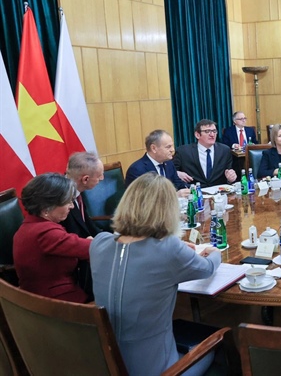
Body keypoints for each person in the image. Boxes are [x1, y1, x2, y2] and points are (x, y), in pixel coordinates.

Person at [90, 173, 221, 376]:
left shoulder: (99, 243)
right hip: (158, 369)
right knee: (218, 346)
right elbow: (207, 268)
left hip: (103, 362)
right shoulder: (168, 248)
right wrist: (215, 253)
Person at [13, 173, 93, 303]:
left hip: (37, 299)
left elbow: (73, 244)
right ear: (46, 208)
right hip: (56, 305)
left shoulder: (29, 226)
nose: (72, 206)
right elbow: (92, 248)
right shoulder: (45, 233)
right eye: (67, 202)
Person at [61, 151, 105, 300]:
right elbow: (65, 237)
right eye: (99, 177)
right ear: (85, 179)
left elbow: (87, 224)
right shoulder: (59, 199)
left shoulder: (76, 191)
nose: (102, 179)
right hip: (75, 263)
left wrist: (109, 238)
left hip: (87, 248)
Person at [173, 119, 237, 188]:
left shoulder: (225, 150)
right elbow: (170, 172)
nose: (212, 135)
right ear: (197, 135)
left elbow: (229, 173)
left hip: (219, 193)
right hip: (195, 193)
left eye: (214, 131)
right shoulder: (183, 152)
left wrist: (230, 179)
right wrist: (177, 173)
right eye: (207, 131)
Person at [125, 129, 189, 195]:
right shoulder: (137, 170)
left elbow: (178, 184)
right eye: (168, 147)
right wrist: (174, 195)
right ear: (154, 148)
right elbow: (145, 198)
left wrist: (193, 189)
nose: (172, 150)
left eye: (172, 146)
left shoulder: (169, 163)